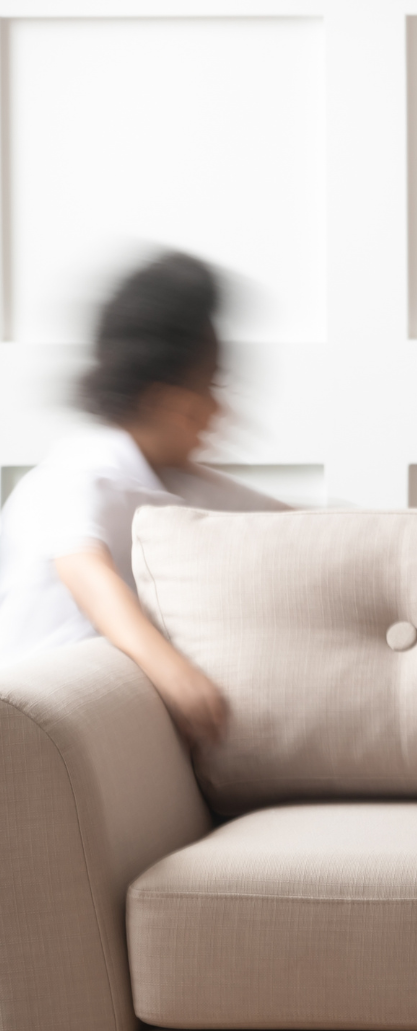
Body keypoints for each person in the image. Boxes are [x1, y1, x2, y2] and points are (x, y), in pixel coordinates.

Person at [0, 251, 285, 744]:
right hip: (44, 721)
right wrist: (178, 677)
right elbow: (84, 571)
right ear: (167, 403)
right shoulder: (83, 469)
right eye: (215, 385)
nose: (223, 408)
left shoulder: (173, 481)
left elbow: (293, 524)